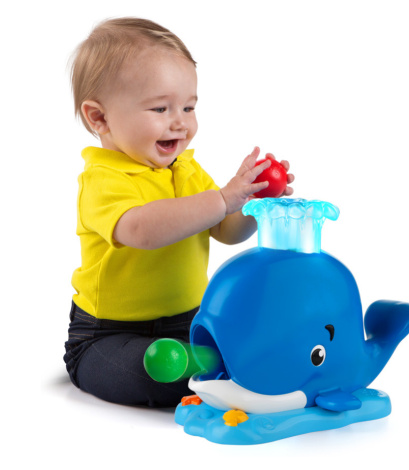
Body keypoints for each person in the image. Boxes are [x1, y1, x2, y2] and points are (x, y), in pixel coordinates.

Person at [64, 17, 294, 408]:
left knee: (239, 348)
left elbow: (226, 230)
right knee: (156, 371)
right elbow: (142, 230)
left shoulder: (186, 170)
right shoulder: (103, 179)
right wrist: (222, 198)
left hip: (189, 322)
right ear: (99, 118)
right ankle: (204, 370)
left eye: (189, 107)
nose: (181, 122)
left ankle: (214, 364)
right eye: (160, 108)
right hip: (108, 335)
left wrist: (252, 202)